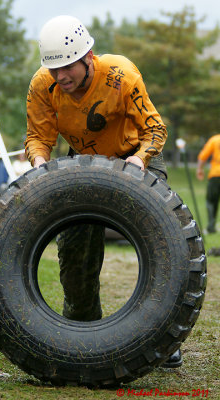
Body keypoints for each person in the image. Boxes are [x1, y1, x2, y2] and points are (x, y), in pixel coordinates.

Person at [24, 15, 181, 368]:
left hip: (134, 157)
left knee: (166, 243)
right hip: (82, 162)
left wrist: (140, 162)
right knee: (76, 252)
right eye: (53, 69)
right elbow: (38, 137)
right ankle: (83, 333)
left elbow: (155, 129)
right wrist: (39, 165)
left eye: (67, 67)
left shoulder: (121, 75)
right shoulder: (42, 85)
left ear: (88, 56)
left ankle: (165, 338)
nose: (61, 76)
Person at [196, 134, 220, 233]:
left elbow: (203, 156)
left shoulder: (215, 140)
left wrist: (199, 169)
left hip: (216, 174)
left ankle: (211, 226)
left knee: (211, 201)